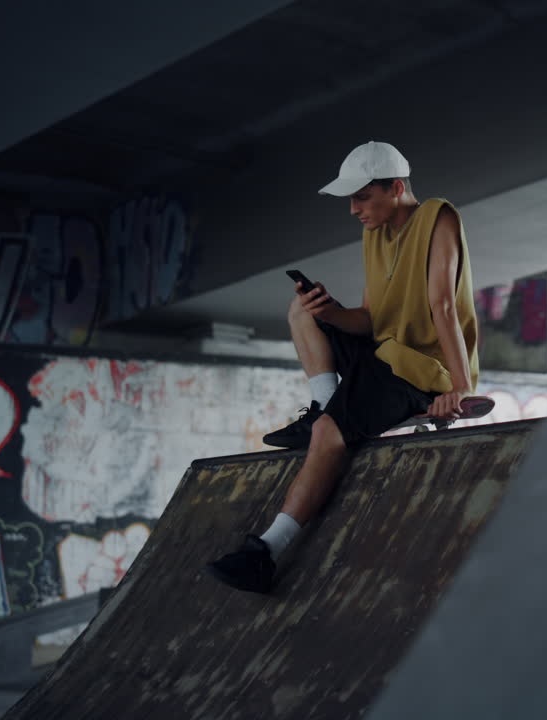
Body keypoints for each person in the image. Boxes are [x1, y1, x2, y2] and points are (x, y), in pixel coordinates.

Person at [205, 141, 480, 594]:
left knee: (327, 436)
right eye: (351, 200)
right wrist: (330, 312)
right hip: (382, 351)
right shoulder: (375, 234)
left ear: (395, 188)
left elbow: (443, 305)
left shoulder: (438, 216)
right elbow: (370, 319)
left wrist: (461, 387)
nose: (353, 210)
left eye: (362, 197)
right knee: (302, 311)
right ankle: (323, 405)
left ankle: (265, 554)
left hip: (421, 371)